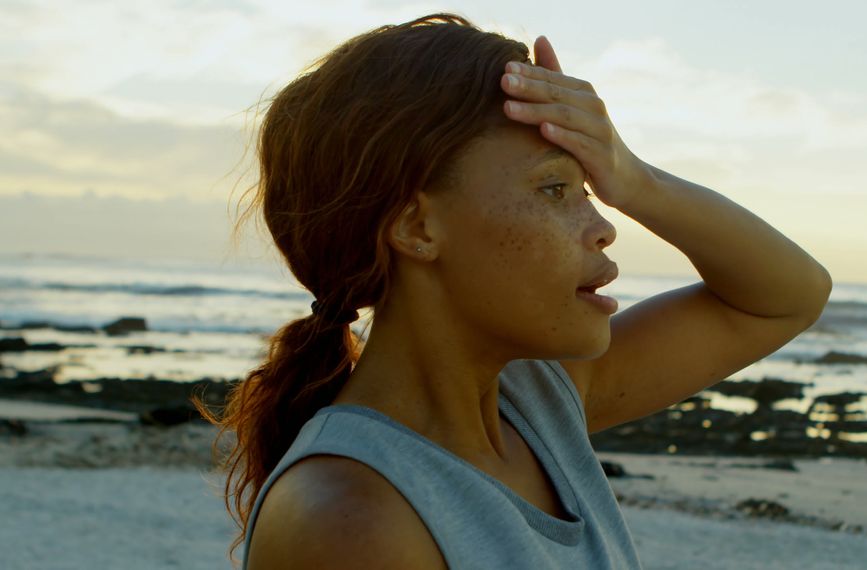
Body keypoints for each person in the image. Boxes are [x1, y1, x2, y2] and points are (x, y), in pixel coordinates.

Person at [194, 12, 832, 569]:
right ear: (416, 226)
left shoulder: (539, 405)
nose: (605, 226)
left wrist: (635, 178)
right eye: (555, 190)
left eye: (590, 191)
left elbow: (788, 294)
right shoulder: (350, 518)